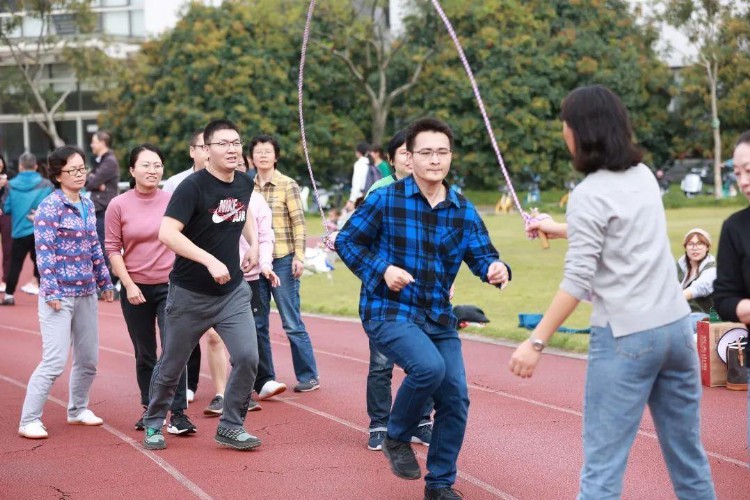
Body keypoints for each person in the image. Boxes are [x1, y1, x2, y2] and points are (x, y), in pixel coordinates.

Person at [514, 85, 715, 499]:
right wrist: (557, 228)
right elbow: (619, 229)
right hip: (678, 330)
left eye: (565, 126)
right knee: (690, 464)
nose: (563, 134)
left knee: (602, 472)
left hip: (626, 337)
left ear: (581, 132)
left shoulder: (587, 194)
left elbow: (577, 280)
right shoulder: (643, 177)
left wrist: (536, 341)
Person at [336, 118, 510, 499]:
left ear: (451, 157)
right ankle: (396, 436)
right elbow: (347, 242)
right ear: (409, 158)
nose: (435, 160)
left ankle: (440, 484)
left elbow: (484, 256)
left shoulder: (461, 209)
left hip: (437, 315)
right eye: (426, 152)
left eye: (442, 152)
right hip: (388, 309)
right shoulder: (385, 198)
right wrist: (382, 270)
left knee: (456, 397)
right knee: (428, 368)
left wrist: (497, 270)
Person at [141, 119, 260, 451]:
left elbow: (243, 211)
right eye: (223, 143)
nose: (233, 149)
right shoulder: (192, 187)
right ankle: (153, 422)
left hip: (232, 292)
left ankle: (231, 426)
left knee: (249, 357)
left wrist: (254, 244)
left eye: (236, 142)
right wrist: (208, 260)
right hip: (190, 295)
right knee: (172, 365)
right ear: (206, 151)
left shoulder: (244, 183)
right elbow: (167, 233)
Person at [18, 145, 115, 439]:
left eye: (82, 168)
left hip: (86, 292)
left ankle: (78, 409)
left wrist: (105, 281)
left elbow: (94, 248)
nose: (79, 174)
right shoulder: (50, 207)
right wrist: (51, 291)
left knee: (88, 359)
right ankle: (29, 419)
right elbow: (44, 251)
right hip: (58, 296)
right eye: (72, 170)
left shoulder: (86, 204)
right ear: (58, 175)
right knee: (55, 360)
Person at [104, 144, 197, 435]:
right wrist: (128, 284)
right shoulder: (118, 205)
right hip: (135, 289)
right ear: (132, 170)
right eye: (145, 165)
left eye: (157, 165)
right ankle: (149, 409)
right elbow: (112, 248)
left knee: (175, 350)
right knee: (144, 353)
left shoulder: (173, 200)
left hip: (172, 285)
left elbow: (186, 239)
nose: (152, 170)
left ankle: (178, 413)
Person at [360, 129, 434, 451]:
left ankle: (421, 420)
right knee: (381, 363)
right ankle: (379, 424)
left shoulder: (435, 193)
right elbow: (359, 241)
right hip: (385, 295)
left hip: (425, 293)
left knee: (428, 360)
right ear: (391, 160)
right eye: (403, 152)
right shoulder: (379, 192)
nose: (410, 158)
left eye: (414, 151)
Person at [252, 134, 320, 393]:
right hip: (256, 263)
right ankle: (266, 378)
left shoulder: (287, 185)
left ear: (276, 156)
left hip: (282, 260)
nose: (263, 156)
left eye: (268, 151)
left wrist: (299, 257)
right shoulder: (247, 185)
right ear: (252, 157)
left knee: (291, 321)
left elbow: (299, 223)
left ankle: (309, 375)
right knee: (258, 324)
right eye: (258, 152)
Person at [162, 129, 210, 404]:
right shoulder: (175, 183)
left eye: (209, 146)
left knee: (215, 334)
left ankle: (225, 389)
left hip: (216, 264)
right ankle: (188, 385)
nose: (206, 151)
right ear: (193, 151)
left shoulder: (226, 182)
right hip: (183, 265)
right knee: (186, 330)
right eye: (202, 146)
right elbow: (167, 226)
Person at [713, 130, 750, 457]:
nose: (743, 180)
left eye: (749, 169)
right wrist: (744, 308)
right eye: (737, 173)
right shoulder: (735, 228)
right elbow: (723, 297)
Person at [237, 156, 284, 404]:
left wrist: (265, 265)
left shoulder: (257, 201)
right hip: (221, 277)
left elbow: (266, 237)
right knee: (219, 334)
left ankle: (264, 380)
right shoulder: (213, 200)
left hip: (253, 277)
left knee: (257, 327)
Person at [1, 153, 52, 305]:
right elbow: (51, 205)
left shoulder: (11, 185)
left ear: (20, 166)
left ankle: (9, 295)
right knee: (43, 264)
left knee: (15, 264)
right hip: (40, 231)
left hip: (20, 231)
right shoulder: (46, 185)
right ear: (36, 166)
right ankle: (48, 295)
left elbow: (6, 208)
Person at [86, 130, 120, 291]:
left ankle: (110, 282)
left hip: (104, 209)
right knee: (101, 245)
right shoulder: (102, 161)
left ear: (102, 143)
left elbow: (90, 181)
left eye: (94, 141)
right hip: (100, 208)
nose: (92, 145)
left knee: (105, 246)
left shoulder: (109, 162)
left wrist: (95, 182)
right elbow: (91, 180)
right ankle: (107, 282)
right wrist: (95, 182)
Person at [677, 228, 716, 332]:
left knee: (687, 323)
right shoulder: (679, 267)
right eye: (690, 244)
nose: (695, 248)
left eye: (700, 244)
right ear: (685, 247)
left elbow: (699, 288)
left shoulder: (712, 269)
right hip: (678, 313)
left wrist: (673, 299)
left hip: (702, 314)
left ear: (707, 247)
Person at [346, 141, 370, 210]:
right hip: (371, 195)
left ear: (358, 152)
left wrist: (351, 200)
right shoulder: (371, 163)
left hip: (360, 196)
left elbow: (357, 183)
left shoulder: (359, 164)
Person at [0, 154, 11, 293]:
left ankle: (6, 280)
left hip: (6, 215)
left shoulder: (10, 177)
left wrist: (7, 185)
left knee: (8, 248)